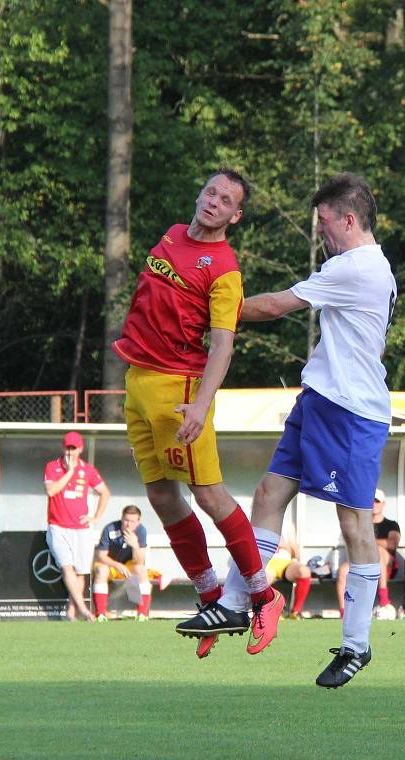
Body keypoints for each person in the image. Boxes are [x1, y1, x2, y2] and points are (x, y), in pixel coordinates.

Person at [213, 172, 397, 688]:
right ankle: (234, 601)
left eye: (323, 223)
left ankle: (357, 645)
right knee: (270, 494)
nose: (321, 233)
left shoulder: (359, 267)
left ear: (349, 220)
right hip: (319, 398)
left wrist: (209, 307)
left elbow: (274, 306)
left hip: (351, 411)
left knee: (356, 527)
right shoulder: (353, 264)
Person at [112, 169, 281, 658]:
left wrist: (202, 403)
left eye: (226, 199)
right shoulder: (170, 236)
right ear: (199, 194)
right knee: (161, 496)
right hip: (138, 380)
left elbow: (222, 345)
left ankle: (263, 595)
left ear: (235, 215)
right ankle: (210, 596)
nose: (214, 201)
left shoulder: (224, 267)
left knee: (208, 494)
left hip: (178, 386)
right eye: (211, 191)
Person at [43, 430, 111, 622]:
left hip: (81, 529)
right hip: (58, 527)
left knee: (80, 571)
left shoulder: (88, 469)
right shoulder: (52, 467)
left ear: (80, 449)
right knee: (67, 567)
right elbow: (51, 491)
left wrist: (95, 516)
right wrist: (70, 472)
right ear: (63, 447)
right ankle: (84, 609)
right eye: (67, 448)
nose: (70, 452)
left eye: (74, 448)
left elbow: (104, 492)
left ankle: (71, 611)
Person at [336, 488, 400, 618]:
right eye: (372, 501)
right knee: (343, 571)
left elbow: (392, 544)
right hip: (362, 560)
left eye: (377, 501)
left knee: (378, 551)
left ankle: (383, 597)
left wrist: (369, 541)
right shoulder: (360, 524)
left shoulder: (391, 525)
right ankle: (344, 613)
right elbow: (353, 543)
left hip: (386, 566)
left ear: (383, 504)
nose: (374, 504)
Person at [92, 505, 153, 622]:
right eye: (126, 520)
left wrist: (135, 545)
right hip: (111, 565)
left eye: (132, 521)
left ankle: (142, 615)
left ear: (138, 522)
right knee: (101, 570)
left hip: (129, 566)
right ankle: (100, 614)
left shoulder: (141, 531)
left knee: (141, 570)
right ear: (121, 518)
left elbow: (140, 561)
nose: (128, 524)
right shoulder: (110, 529)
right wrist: (117, 565)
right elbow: (100, 556)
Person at [265, 519, 312, 619]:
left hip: (284, 561)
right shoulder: (254, 520)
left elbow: (295, 552)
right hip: (265, 561)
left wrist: (285, 545)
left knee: (304, 571)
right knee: (263, 579)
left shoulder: (287, 524)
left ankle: (295, 612)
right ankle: (274, 611)